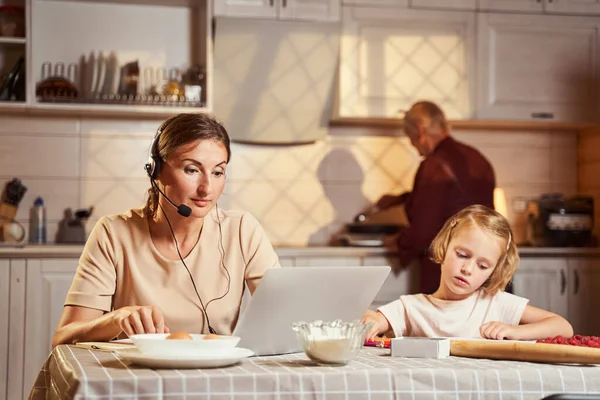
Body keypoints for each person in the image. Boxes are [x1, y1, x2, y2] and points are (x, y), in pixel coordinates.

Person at [52, 113, 281, 347]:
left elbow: (285, 318)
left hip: (217, 378)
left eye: (218, 172)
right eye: (192, 170)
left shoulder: (242, 230)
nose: (207, 188)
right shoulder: (113, 233)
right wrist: (115, 319)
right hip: (136, 378)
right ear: (156, 171)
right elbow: (63, 337)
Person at [362, 205, 573, 341]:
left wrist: (514, 331)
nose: (468, 269)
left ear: (494, 270)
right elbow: (375, 321)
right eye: (462, 255)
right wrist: (371, 321)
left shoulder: (495, 303)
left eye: (483, 266)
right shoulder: (411, 308)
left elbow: (563, 327)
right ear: (445, 245)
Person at [373, 100, 496, 294]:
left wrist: (398, 242)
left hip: (451, 272)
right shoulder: (478, 158)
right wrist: (401, 199)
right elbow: (456, 198)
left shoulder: (433, 166)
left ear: (420, 131)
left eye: (411, 138)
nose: (414, 147)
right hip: (486, 268)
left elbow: (424, 229)